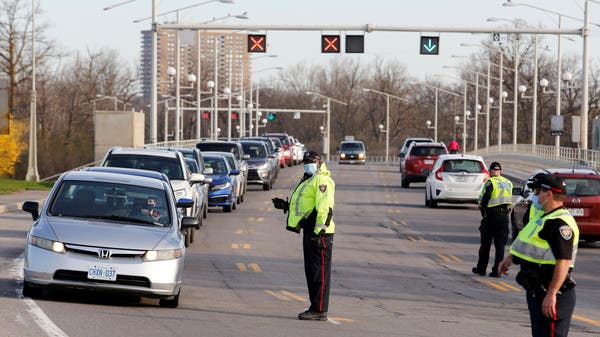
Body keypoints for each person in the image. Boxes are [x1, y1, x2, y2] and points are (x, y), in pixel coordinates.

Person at [498, 173, 578, 337]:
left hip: (552, 292)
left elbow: (563, 262)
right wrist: (510, 258)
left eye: (538, 192)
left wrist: (552, 294)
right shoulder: (543, 217)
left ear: (548, 194)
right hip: (537, 290)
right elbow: (528, 241)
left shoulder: (559, 223)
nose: (535, 196)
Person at [272, 151, 336, 321]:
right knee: (311, 271)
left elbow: (325, 209)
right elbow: (305, 205)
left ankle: (320, 310)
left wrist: (319, 232)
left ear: (319, 162)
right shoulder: (309, 178)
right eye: (305, 161)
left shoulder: (322, 180)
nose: (308, 164)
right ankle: (315, 306)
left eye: (311, 161)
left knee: (319, 272)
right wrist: (285, 205)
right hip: (310, 231)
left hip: (320, 233)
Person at [473, 161, 513, 277]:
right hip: (504, 217)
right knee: (500, 246)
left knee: (485, 244)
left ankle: (481, 269)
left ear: (490, 172)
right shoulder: (508, 182)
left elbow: (486, 198)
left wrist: (483, 211)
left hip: (491, 216)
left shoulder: (490, 182)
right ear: (500, 172)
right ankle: (497, 271)